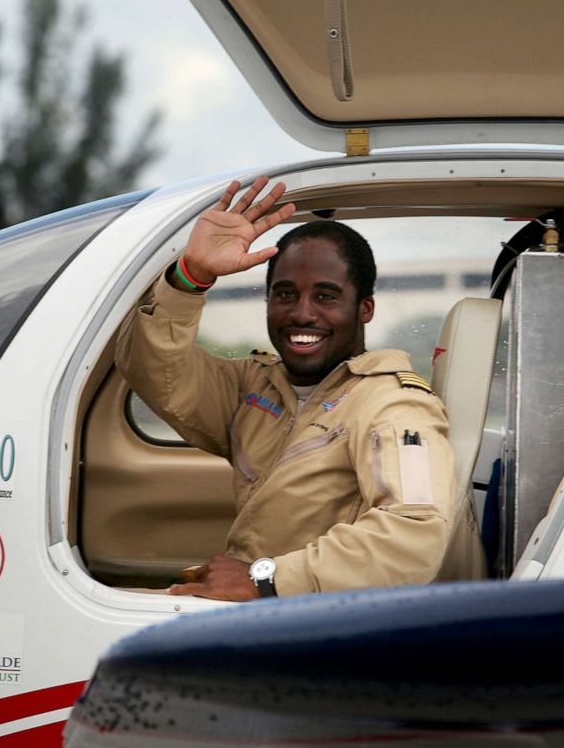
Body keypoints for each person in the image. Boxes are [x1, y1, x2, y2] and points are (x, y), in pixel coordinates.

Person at [116, 175, 483, 600]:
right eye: (285, 295)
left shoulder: (393, 405)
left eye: (326, 297)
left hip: (311, 625)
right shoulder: (256, 386)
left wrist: (264, 580)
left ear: (364, 309)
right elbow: (152, 369)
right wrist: (190, 275)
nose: (302, 313)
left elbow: (414, 534)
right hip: (256, 610)